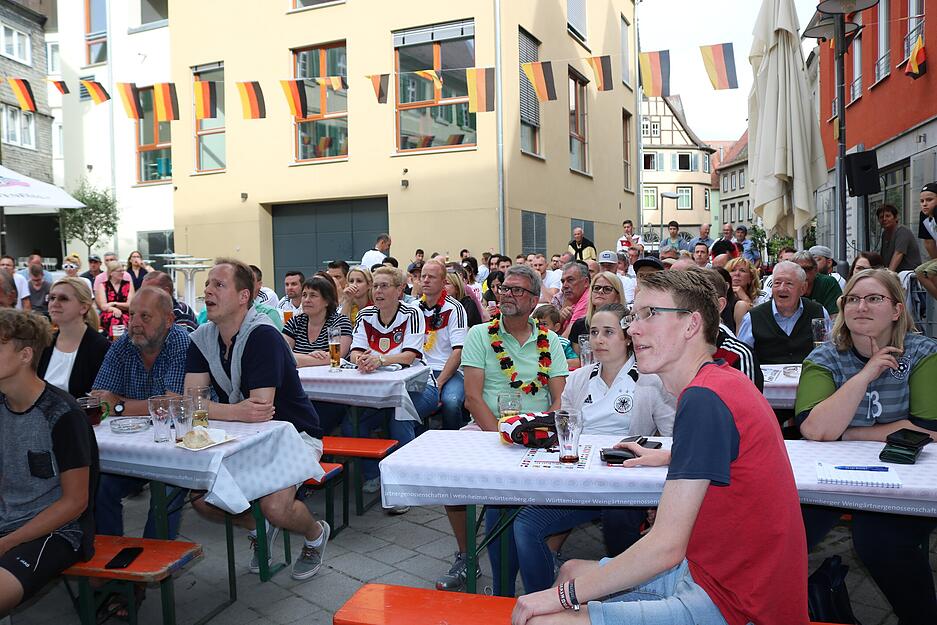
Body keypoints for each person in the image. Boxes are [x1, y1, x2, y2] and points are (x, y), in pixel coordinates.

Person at [511, 270, 809, 625]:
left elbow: (665, 548)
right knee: (573, 567)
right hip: (716, 578)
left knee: (545, 618)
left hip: (739, 605)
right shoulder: (719, 382)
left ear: (691, 325)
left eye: (650, 314)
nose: (633, 328)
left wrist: (559, 596)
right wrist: (672, 455)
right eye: (634, 316)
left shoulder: (704, 398)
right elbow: (733, 457)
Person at [796, 268, 937, 624]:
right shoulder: (824, 358)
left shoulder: (923, 353)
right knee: (785, 530)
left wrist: (848, 432)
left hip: (908, 481)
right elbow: (813, 428)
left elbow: (926, 430)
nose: (861, 306)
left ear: (897, 310)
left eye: (874, 298)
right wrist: (866, 374)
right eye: (853, 299)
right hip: (831, 479)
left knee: (879, 541)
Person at [507, 304, 675, 594]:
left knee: (617, 518)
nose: (598, 340)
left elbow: (673, 436)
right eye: (593, 332)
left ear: (627, 337)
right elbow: (565, 430)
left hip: (625, 484)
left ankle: (627, 595)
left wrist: (660, 499)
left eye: (608, 332)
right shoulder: (578, 379)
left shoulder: (650, 381)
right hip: (580, 480)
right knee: (525, 524)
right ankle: (542, 599)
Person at [185, 258, 330, 580]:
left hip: (293, 433)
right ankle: (258, 528)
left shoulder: (263, 335)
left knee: (277, 507)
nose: (208, 290)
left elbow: (261, 409)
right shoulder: (201, 338)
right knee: (202, 501)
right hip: (239, 433)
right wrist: (233, 412)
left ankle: (315, 535)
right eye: (208, 284)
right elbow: (191, 402)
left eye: (218, 285)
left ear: (244, 296)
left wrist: (217, 410)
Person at [436, 265, 568, 591]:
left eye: (517, 290)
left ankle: (534, 560)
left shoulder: (549, 340)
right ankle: (466, 556)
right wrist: (502, 435)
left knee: (527, 495)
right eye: (504, 288)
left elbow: (559, 399)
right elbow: (471, 397)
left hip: (537, 434)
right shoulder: (480, 334)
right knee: (451, 480)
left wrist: (539, 433)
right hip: (486, 427)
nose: (506, 294)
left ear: (535, 299)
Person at [0, 310, 98, 618]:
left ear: (25, 355)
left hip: (57, 532)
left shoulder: (62, 414)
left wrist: (7, 542)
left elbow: (75, 503)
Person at [91, 287, 190, 541]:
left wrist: (121, 405)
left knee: (167, 492)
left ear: (168, 320)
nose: (134, 323)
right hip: (133, 445)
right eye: (132, 315)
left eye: (145, 317)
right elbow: (99, 398)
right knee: (100, 487)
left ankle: (153, 567)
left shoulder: (181, 341)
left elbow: (173, 405)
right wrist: (117, 403)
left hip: (175, 448)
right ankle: (112, 565)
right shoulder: (124, 344)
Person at [349, 267, 439, 507]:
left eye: (384, 286)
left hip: (420, 388)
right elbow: (354, 351)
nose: (378, 291)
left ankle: (404, 486)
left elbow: (409, 356)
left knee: (400, 416)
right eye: (375, 286)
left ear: (400, 290)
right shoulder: (365, 315)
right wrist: (361, 360)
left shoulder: (413, 312)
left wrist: (379, 359)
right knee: (352, 422)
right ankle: (373, 475)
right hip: (378, 391)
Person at [282, 275, 353, 433]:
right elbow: (281, 355)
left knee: (312, 422)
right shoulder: (295, 322)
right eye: (305, 295)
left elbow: (337, 356)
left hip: (332, 394)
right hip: (298, 391)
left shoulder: (339, 322)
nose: (306, 300)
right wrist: (313, 357)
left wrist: (298, 358)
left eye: (313, 295)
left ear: (327, 301)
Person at [737, 260, 829, 365]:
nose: (782, 288)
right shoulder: (753, 318)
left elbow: (830, 351)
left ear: (803, 288)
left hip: (809, 377)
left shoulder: (818, 312)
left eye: (789, 283)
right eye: (777, 283)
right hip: (766, 380)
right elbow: (741, 357)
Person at [418, 261, 469, 430]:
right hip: (420, 371)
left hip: (450, 372)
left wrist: (438, 383)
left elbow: (458, 351)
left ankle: (453, 443)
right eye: (423, 276)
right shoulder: (413, 308)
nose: (425, 280)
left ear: (443, 281)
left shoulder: (455, 308)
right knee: (408, 404)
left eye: (431, 277)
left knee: (451, 402)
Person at [38, 278, 109, 398]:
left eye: (63, 298)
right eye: (52, 298)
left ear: (84, 308)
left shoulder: (101, 348)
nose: (54, 303)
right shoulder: (44, 344)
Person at [698, 268, 763, 391]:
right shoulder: (671, 351)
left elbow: (748, 407)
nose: (689, 309)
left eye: (698, 301)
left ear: (719, 305)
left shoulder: (739, 355)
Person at [568, 271, 625, 352]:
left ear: (617, 297)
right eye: (597, 288)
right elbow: (576, 360)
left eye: (607, 289)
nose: (600, 291)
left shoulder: (625, 324)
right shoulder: (580, 325)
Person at [792, 250, 842, 316]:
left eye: (807, 269)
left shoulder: (827, 282)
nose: (802, 273)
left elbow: (835, 316)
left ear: (815, 270)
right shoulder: (785, 286)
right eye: (798, 269)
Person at [725, 257, 768, 329]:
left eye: (742, 270)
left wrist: (746, 299)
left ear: (751, 278)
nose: (737, 274)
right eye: (732, 270)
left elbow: (764, 323)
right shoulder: (721, 296)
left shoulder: (761, 296)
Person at [878, 203, 922, 273]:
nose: (884, 219)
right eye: (881, 217)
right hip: (896, 274)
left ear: (896, 218)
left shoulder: (902, 231)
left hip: (909, 275)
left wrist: (889, 275)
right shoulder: (884, 234)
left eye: (888, 216)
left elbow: (898, 254)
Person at [96, 260, 134, 339]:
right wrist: (113, 309)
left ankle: (118, 343)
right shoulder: (103, 285)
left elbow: (130, 305)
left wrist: (113, 304)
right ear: (111, 273)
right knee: (114, 318)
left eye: (123, 270)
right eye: (119, 271)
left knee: (119, 319)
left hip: (126, 313)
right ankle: (117, 343)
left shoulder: (128, 284)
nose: (122, 272)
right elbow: (103, 306)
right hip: (108, 314)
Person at [915, 182, 937, 300]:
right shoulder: (924, 216)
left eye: (929, 200)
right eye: (922, 201)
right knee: (920, 272)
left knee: (931, 271)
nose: (925, 204)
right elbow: (928, 242)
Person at [558, 262, 591, 336]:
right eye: (563, 281)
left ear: (586, 282)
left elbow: (564, 341)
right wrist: (561, 316)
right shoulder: (572, 298)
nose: (564, 286)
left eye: (570, 280)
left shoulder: (587, 299)